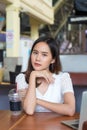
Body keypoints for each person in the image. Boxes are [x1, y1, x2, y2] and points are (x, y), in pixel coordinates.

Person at [16, 36, 75, 116]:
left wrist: (37, 100)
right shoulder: (22, 78)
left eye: (44, 55)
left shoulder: (63, 78)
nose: (37, 58)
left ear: (53, 59)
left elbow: (70, 110)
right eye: (35, 53)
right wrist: (33, 75)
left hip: (56, 126)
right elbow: (29, 110)